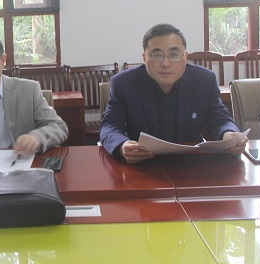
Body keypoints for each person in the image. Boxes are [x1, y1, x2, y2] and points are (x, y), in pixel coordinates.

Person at [100, 23, 247, 164]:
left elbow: (220, 120)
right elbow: (110, 125)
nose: (165, 63)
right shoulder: (124, 83)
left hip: (191, 163)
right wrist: (122, 145)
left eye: (174, 55)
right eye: (157, 55)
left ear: (185, 57)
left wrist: (229, 135)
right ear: (144, 58)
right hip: (142, 162)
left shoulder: (204, 80)